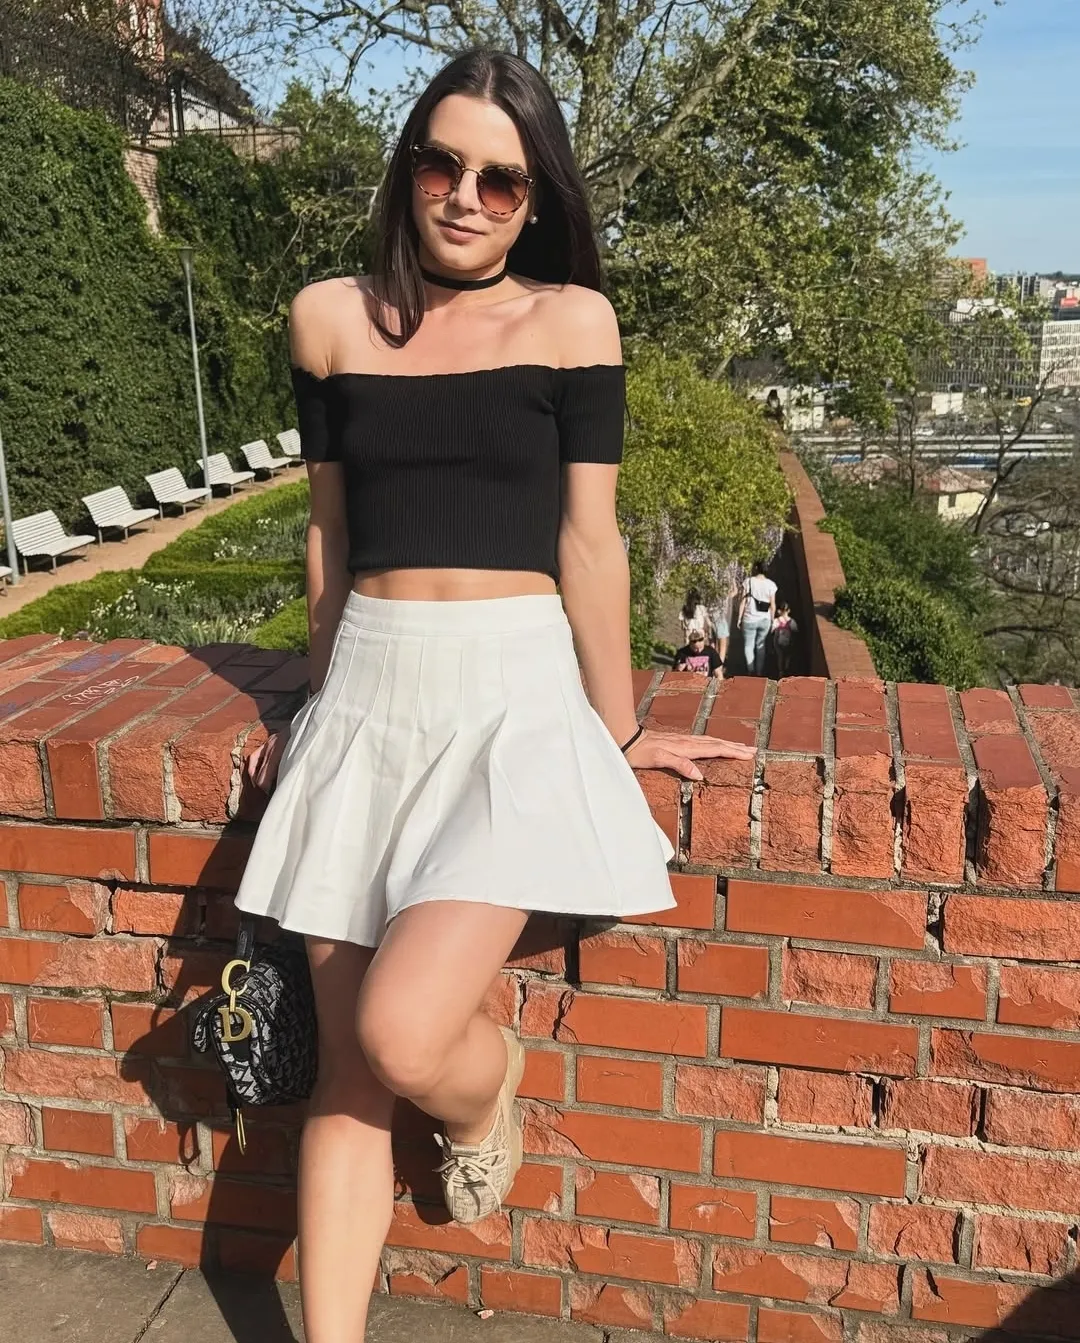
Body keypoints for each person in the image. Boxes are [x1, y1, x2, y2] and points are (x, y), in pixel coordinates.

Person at [238, 49, 754, 1343]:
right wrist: (310, 707)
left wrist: (622, 729)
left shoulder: (571, 322)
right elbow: (327, 536)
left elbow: (592, 542)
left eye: (502, 180)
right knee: (348, 1076)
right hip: (369, 690)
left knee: (405, 1032)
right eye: (443, 163)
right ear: (409, 165)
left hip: (511, 701)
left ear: (536, 199)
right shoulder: (328, 317)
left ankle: (488, 1086)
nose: (466, 196)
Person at [738, 559, 777, 676]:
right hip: (765, 619)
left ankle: (751, 670)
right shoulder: (771, 585)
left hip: (749, 618)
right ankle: (759, 672)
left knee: (748, 645)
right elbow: (773, 605)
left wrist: (739, 618)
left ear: (756, 568)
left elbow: (743, 601)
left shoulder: (748, 582)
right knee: (761, 645)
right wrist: (772, 620)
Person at [707, 577, 737, 674]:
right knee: (723, 645)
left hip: (710, 618)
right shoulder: (724, 595)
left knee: (713, 643)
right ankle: (718, 667)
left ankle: (711, 663)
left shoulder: (709, 596)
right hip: (720, 619)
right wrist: (733, 580)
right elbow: (735, 591)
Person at [772, 599, 798, 677]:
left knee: (780, 656)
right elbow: (795, 630)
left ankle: (781, 671)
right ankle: (787, 668)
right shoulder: (792, 621)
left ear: (779, 611)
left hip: (778, 642)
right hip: (788, 641)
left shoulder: (776, 621)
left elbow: (772, 631)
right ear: (789, 610)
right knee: (788, 655)